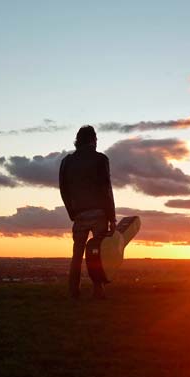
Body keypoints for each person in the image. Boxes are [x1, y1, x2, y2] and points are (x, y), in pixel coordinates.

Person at [59, 125, 116, 299]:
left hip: (79, 214)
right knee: (97, 254)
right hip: (99, 213)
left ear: (78, 141)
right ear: (93, 140)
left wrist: (72, 212)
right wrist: (112, 217)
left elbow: (64, 190)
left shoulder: (67, 162)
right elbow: (106, 189)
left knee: (77, 254)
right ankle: (98, 290)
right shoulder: (100, 159)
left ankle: (73, 290)